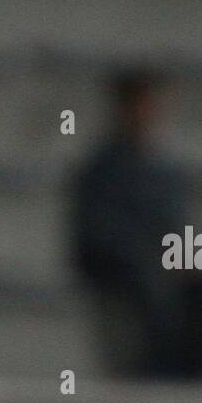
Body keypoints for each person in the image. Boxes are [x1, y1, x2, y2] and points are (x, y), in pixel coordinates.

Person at [69, 70, 196, 378]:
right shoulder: (101, 170)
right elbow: (97, 235)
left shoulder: (166, 172)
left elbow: (178, 227)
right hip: (126, 271)